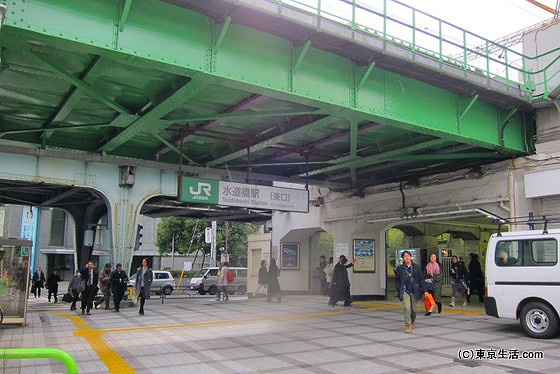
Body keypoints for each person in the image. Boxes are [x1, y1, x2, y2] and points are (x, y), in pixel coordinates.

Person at [395, 250, 424, 333]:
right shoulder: (400, 268)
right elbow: (397, 280)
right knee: (407, 308)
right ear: (403, 258)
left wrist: (424, 290)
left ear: (411, 257)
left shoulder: (416, 267)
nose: (407, 257)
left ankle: (413, 321)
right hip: (405, 291)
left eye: (408, 256)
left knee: (414, 310)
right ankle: (408, 325)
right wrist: (398, 289)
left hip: (414, 291)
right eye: (405, 256)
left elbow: (421, 279)